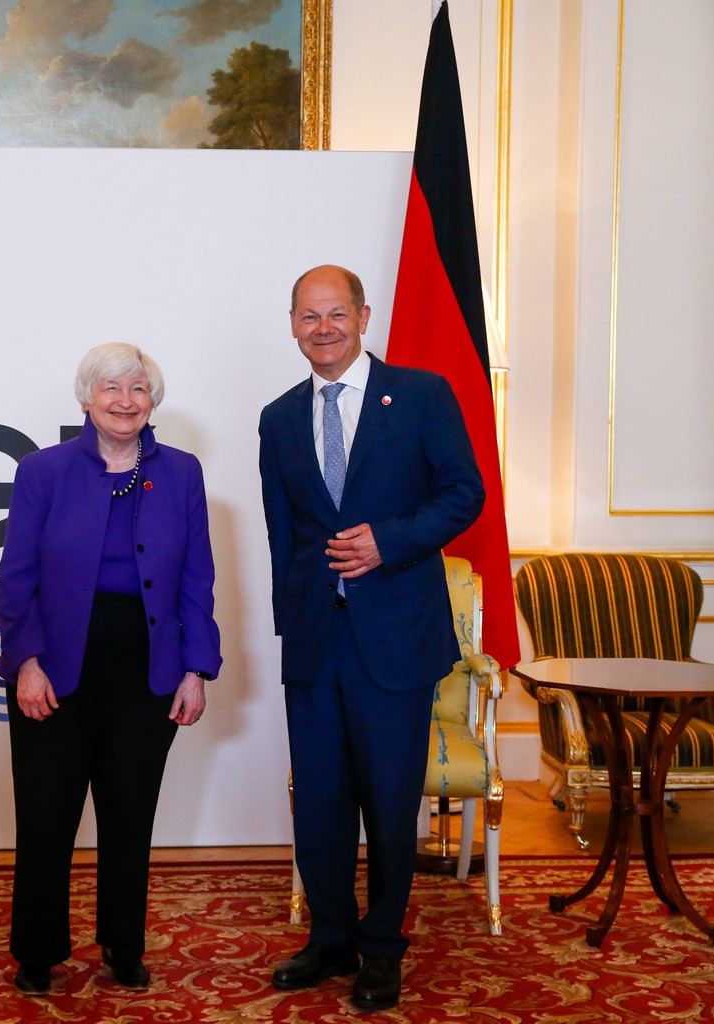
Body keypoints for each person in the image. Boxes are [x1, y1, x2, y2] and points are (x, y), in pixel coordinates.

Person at [258, 265, 483, 1010]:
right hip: (317, 644)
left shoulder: (419, 396)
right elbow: (282, 534)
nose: (323, 329)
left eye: (336, 314)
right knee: (321, 801)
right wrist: (291, 628)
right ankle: (329, 938)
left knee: (389, 803)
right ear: (292, 324)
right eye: (308, 316)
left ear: (362, 315)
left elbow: (465, 493)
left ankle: (382, 948)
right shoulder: (278, 416)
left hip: (396, 639)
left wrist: (389, 541)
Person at [0, 342, 223, 996]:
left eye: (138, 389)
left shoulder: (182, 473)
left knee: (130, 814)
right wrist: (27, 662)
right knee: (45, 815)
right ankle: (38, 951)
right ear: (86, 398)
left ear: (153, 400)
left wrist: (194, 668)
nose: (125, 401)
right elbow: (16, 579)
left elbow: (196, 579)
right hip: (56, 662)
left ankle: (124, 946)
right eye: (111, 389)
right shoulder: (43, 471)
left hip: (147, 664)